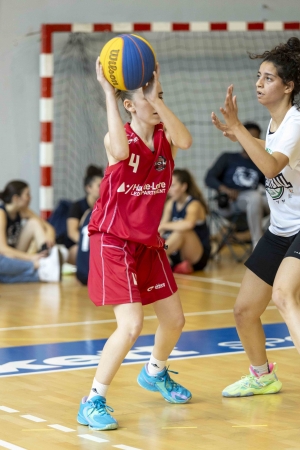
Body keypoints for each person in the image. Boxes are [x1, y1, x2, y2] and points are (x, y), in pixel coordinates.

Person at [77, 58, 193, 431]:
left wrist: (156, 99)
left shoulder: (165, 139)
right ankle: (92, 400)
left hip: (147, 243)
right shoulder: (119, 140)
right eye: (150, 98)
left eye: (162, 96)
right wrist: (109, 95)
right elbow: (122, 153)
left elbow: (186, 140)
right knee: (131, 326)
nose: (158, 102)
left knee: (174, 320)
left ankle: (154, 372)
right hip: (112, 241)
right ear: (130, 105)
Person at [211, 36, 300, 397]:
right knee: (244, 311)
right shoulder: (276, 123)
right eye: (259, 76)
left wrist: (239, 132)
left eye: (268, 78)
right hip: (281, 229)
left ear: (289, 86)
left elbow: (268, 165)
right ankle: (263, 376)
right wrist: (240, 134)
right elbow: (271, 150)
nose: (259, 84)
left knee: (283, 295)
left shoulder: (295, 122)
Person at [205, 122, 269, 249]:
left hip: (253, 207)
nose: (251, 142)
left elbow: (269, 186)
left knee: (279, 202)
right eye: (248, 138)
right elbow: (209, 178)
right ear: (241, 139)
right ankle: (257, 245)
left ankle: (270, 241)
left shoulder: (260, 163)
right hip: (230, 204)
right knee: (255, 197)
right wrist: (225, 189)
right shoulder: (228, 158)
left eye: (254, 138)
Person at [0, 180, 62, 282]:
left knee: (34, 223)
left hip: (15, 254)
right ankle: (40, 268)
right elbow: (3, 249)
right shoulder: (1, 214)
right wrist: (30, 258)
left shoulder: (23, 211)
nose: (30, 198)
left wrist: (50, 237)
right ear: (16, 198)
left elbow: (48, 227)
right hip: (5, 257)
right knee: (3, 275)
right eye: (27, 195)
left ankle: (47, 257)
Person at [159, 168, 211, 274]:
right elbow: (160, 230)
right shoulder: (171, 204)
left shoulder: (194, 204)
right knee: (157, 238)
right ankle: (169, 263)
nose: (169, 189)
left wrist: (164, 225)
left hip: (197, 256)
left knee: (182, 232)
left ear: (183, 187)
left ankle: (156, 259)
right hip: (177, 252)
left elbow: (189, 224)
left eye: (173, 186)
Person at [66, 165, 103, 264]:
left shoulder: (107, 206)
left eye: (104, 184)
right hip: (79, 246)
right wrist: (88, 243)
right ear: (88, 188)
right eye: (99, 186)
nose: (103, 187)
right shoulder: (77, 206)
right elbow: (72, 232)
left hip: (99, 245)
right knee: (77, 250)